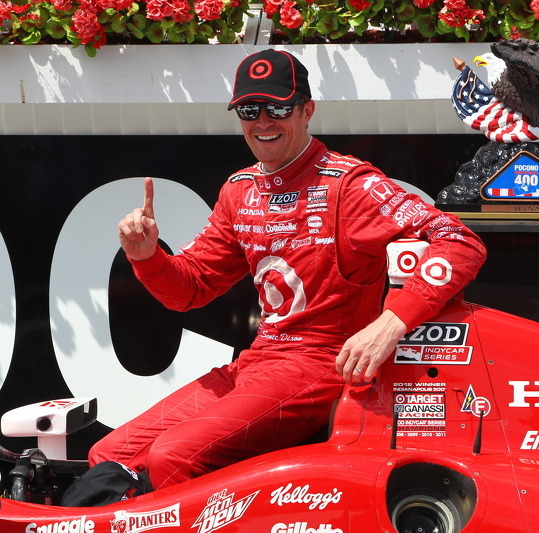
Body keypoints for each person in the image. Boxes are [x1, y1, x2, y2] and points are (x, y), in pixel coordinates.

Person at [88, 49, 487, 490]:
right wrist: (147, 256)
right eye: (249, 109)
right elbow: (190, 290)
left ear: (307, 110)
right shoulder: (239, 190)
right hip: (257, 362)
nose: (263, 121)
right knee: (109, 454)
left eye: (279, 107)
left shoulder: (350, 184)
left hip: (319, 364)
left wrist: (391, 322)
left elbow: (460, 240)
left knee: (173, 457)